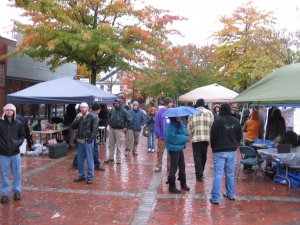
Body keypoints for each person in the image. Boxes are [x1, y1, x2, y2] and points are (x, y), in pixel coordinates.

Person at [210, 103, 242, 204]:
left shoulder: (217, 121)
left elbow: (213, 137)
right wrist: (235, 144)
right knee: (230, 174)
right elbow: (239, 136)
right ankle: (231, 194)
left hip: (219, 150)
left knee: (218, 174)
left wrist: (214, 148)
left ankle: (215, 198)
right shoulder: (236, 121)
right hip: (232, 151)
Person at [0, 103, 26, 204]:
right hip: (3, 153)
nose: (9, 112)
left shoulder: (18, 123)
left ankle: (17, 191)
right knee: (4, 174)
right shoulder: (0, 123)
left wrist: (17, 143)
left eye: (11, 110)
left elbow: (22, 136)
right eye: (7, 110)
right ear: (4, 111)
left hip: (15, 153)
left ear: (14, 111)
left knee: (17, 174)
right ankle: (5, 194)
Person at [72, 102, 99, 184]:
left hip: (88, 141)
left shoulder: (93, 117)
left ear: (87, 108)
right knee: (80, 160)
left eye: (84, 107)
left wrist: (90, 140)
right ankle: (81, 176)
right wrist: (76, 118)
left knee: (90, 159)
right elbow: (73, 127)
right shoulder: (79, 117)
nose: (82, 109)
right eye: (81, 108)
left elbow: (94, 130)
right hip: (80, 141)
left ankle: (90, 177)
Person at [188, 98, 214, 182]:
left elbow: (190, 127)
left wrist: (191, 136)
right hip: (206, 138)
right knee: (204, 156)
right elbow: (212, 125)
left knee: (197, 157)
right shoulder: (209, 113)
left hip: (196, 138)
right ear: (203, 104)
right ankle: (201, 171)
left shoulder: (192, 113)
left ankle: (199, 174)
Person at [165, 117, 190, 193]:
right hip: (173, 148)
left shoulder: (180, 124)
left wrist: (184, 132)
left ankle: (183, 183)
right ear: (174, 117)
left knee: (182, 165)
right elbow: (172, 138)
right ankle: (171, 187)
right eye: (178, 117)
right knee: (174, 166)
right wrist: (185, 138)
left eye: (180, 116)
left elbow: (185, 132)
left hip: (179, 148)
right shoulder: (171, 126)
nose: (180, 118)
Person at [105, 99, 132, 164]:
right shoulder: (112, 110)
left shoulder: (124, 111)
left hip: (120, 130)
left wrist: (126, 127)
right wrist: (109, 124)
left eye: (117, 103)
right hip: (112, 129)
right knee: (110, 145)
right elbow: (108, 117)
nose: (116, 104)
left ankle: (118, 159)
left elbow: (130, 120)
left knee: (119, 145)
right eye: (115, 103)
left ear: (120, 104)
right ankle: (110, 158)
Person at [154, 97, 173, 172]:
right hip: (162, 136)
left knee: (170, 152)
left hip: (170, 136)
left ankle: (169, 166)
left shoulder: (171, 111)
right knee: (160, 152)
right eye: (171, 102)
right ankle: (158, 166)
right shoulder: (160, 112)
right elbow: (157, 124)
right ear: (168, 103)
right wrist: (159, 135)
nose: (172, 104)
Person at [91, 103, 105, 171]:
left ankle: (75, 164)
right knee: (95, 151)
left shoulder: (91, 114)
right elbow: (94, 127)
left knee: (83, 151)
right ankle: (97, 165)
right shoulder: (95, 116)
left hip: (90, 136)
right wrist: (95, 135)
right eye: (99, 108)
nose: (100, 110)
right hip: (91, 136)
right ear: (97, 109)